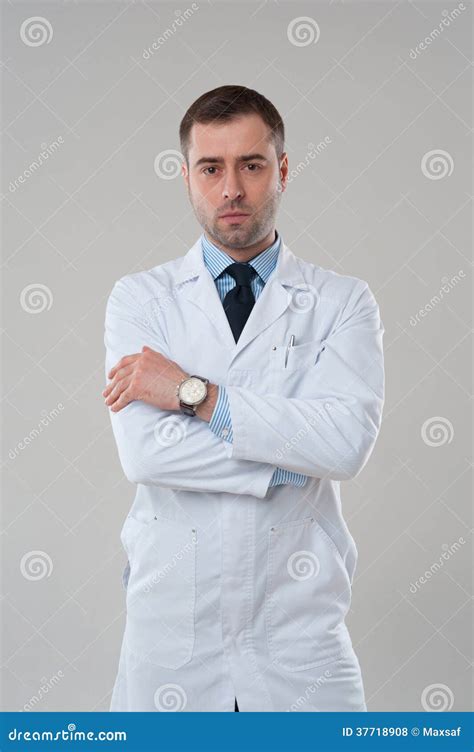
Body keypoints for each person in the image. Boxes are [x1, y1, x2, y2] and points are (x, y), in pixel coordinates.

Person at [103, 85, 385, 712]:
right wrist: (288, 458)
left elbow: (344, 445)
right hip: (172, 636)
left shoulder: (342, 302)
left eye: (251, 165)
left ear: (281, 170)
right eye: (211, 168)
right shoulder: (140, 300)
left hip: (300, 640)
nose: (231, 188)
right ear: (187, 178)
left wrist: (189, 393)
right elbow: (148, 458)